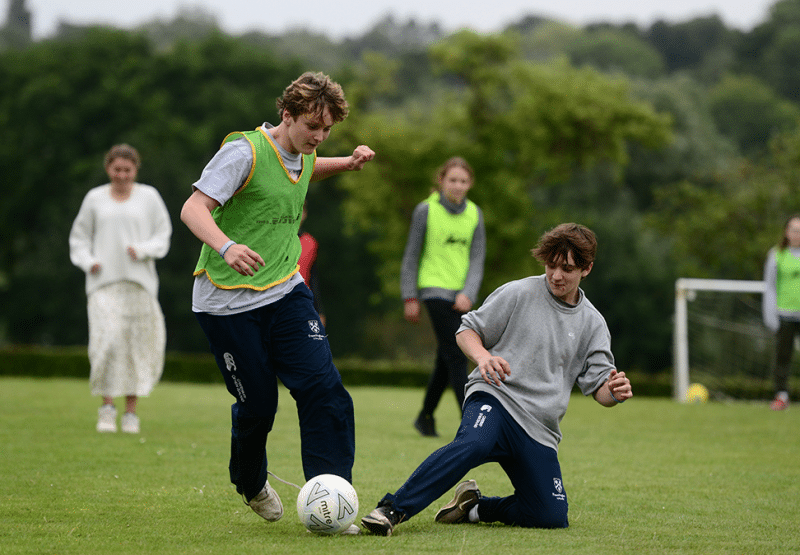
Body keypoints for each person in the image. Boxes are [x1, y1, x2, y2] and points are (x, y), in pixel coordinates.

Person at [180, 72, 374, 530]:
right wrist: (227, 246)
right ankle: (249, 481)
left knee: (325, 390)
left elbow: (305, 168)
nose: (320, 137)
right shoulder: (242, 152)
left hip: (285, 291)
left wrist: (344, 162)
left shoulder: (306, 152)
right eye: (313, 127)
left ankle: (333, 500)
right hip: (226, 303)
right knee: (260, 404)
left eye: (327, 130)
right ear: (286, 115)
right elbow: (193, 208)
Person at [361, 223, 632, 536]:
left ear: (587, 269)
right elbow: (466, 331)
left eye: (567, 269)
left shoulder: (593, 324)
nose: (557, 275)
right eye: (551, 265)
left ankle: (474, 507)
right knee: (474, 444)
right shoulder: (519, 292)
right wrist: (483, 357)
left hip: (539, 429)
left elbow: (600, 389)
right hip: (496, 398)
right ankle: (391, 509)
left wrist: (613, 391)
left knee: (550, 515)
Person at [69, 144, 172, 434]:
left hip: (139, 284)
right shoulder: (94, 198)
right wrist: (88, 261)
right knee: (107, 342)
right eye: (117, 169)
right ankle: (106, 408)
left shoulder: (149, 197)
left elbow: (163, 236)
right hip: (104, 284)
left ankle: (130, 414)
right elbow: (79, 238)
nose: (122, 175)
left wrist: (141, 250)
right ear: (108, 169)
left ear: (135, 170)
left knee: (136, 347)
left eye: (127, 170)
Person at [400, 157, 486, 437]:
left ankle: (425, 417)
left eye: (463, 181)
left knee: (446, 357)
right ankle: (470, 422)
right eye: (452, 180)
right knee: (458, 353)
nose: (458, 186)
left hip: (461, 295)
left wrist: (468, 293)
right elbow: (411, 255)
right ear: (441, 181)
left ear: (470, 184)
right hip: (433, 290)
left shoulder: (475, 214)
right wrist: (409, 296)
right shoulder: (425, 210)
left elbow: (477, 258)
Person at [762, 214, 800, 411]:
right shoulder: (776, 254)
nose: (797, 234)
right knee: (782, 357)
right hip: (784, 314)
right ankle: (781, 395)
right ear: (787, 232)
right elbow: (769, 286)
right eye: (794, 229)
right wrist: (770, 315)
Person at [298, 202, 325, 326]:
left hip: (304, 304)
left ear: (305, 214)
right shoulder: (276, 240)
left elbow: (313, 279)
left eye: (301, 210)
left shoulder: (311, 243)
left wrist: (319, 311)